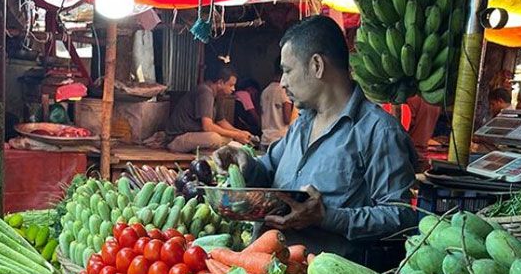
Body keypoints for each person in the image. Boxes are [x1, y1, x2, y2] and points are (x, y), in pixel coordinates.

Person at [213, 15, 417, 260]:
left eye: (287, 71)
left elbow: (401, 216)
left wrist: (327, 217)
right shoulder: (302, 123)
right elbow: (269, 170)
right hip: (267, 264)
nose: (283, 83)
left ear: (317, 65)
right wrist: (245, 163)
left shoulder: (378, 131)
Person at [166, 65, 253, 153]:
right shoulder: (205, 91)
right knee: (215, 138)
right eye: (231, 85)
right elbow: (207, 127)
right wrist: (236, 135)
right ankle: (202, 151)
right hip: (177, 139)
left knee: (228, 138)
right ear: (220, 82)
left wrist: (240, 132)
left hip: (196, 135)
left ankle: (202, 150)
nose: (233, 89)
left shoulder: (218, 96)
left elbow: (221, 121)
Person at [260, 61, 295, 146]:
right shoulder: (284, 92)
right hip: (280, 139)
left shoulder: (265, 91)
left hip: (265, 139)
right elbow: (287, 119)